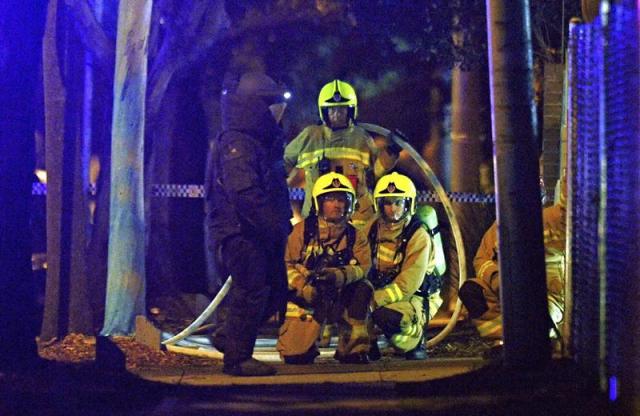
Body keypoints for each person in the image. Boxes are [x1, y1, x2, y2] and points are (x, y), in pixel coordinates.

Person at [205, 71, 292, 376]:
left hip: (257, 231)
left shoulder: (258, 141)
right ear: (257, 108)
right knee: (252, 289)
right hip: (241, 232)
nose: (277, 113)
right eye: (272, 106)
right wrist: (273, 226)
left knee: (273, 290)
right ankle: (238, 358)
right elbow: (245, 194)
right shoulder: (238, 144)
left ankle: (229, 337)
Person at [277, 172, 373, 364]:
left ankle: (353, 346)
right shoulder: (301, 231)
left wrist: (339, 276)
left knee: (363, 288)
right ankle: (305, 342)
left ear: (350, 203)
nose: (337, 205)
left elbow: (363, 267)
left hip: (340, 296)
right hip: (308, 298)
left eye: (341, 199)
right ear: (318, 203)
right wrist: (304, 287)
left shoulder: (356, 236)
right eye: (330, 199)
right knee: (296, 356)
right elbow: (284, 265)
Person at [458, 180, 566, 345]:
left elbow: (568, 219)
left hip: (549, 295)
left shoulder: (552, 220)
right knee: (472, 291)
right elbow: (482, 260)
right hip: (510, 292)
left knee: (540, 318)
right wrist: (497, 280)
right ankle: (506, 339)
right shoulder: (500, 228)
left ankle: (533, 340)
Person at [284, 79, 399, 229]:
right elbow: (283, 163)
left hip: (357, 221)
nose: (337, 114)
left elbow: (374, 174)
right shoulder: (310, 136)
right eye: (332, 110)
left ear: (351, 111)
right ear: (323, 112)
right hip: (318, 222)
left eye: (342, 110)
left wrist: (391, 152)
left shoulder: (361, 138)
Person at [366, 172, 440, 361]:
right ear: (379, 205)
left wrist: (374, 301)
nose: (393, 209)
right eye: (388, 203)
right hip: (381, 292)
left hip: (414, 297)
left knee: (387, 317)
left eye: (399, 203)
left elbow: (409, 283)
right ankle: (365, 343)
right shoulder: (372, 229)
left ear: (409, 204)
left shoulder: (418, 235)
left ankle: (415, 337)